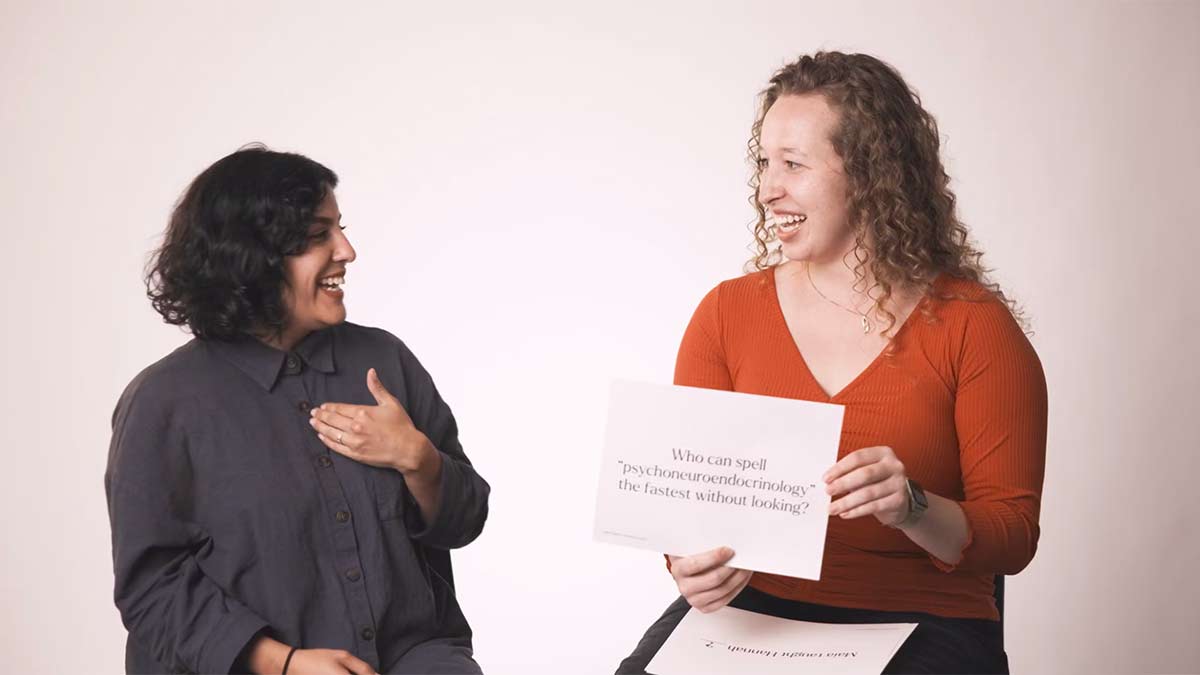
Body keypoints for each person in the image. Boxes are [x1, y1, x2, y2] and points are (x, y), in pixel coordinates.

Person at [618, 52, 1046, 674]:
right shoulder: (727, 313)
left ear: (873, 175)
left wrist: (912, 507)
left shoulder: (974, 325)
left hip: (923, 616)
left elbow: (1012, 535)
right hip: (756, 612)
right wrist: (692, 566)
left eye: (794, 164)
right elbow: (694, 506)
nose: (768, 188)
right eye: (765, 162)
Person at [105, 146, 490, 675]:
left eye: (340, 228)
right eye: (317, 236)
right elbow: (152, 588)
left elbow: (466, 522)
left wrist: (418, 459)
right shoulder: (165, 403)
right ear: (250, 258)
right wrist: (283, 663)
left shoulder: (384, 362)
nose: (347, 251)